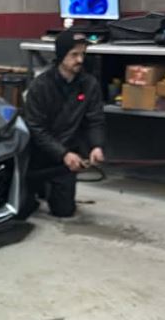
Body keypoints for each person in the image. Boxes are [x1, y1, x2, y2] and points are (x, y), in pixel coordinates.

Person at [22, 29, 105, 218]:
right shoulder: (40, 86)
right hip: (38, 157)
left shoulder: (89, 84)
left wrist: (96, 145)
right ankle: (37, 189)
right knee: (22, 210)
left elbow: (95, 119)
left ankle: (53, 189)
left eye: (83, 54)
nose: (80, 60)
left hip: (66, 158)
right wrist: (63, 153)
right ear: (61, 56)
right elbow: (36, 128)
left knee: (64, 211)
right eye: (74, 54)